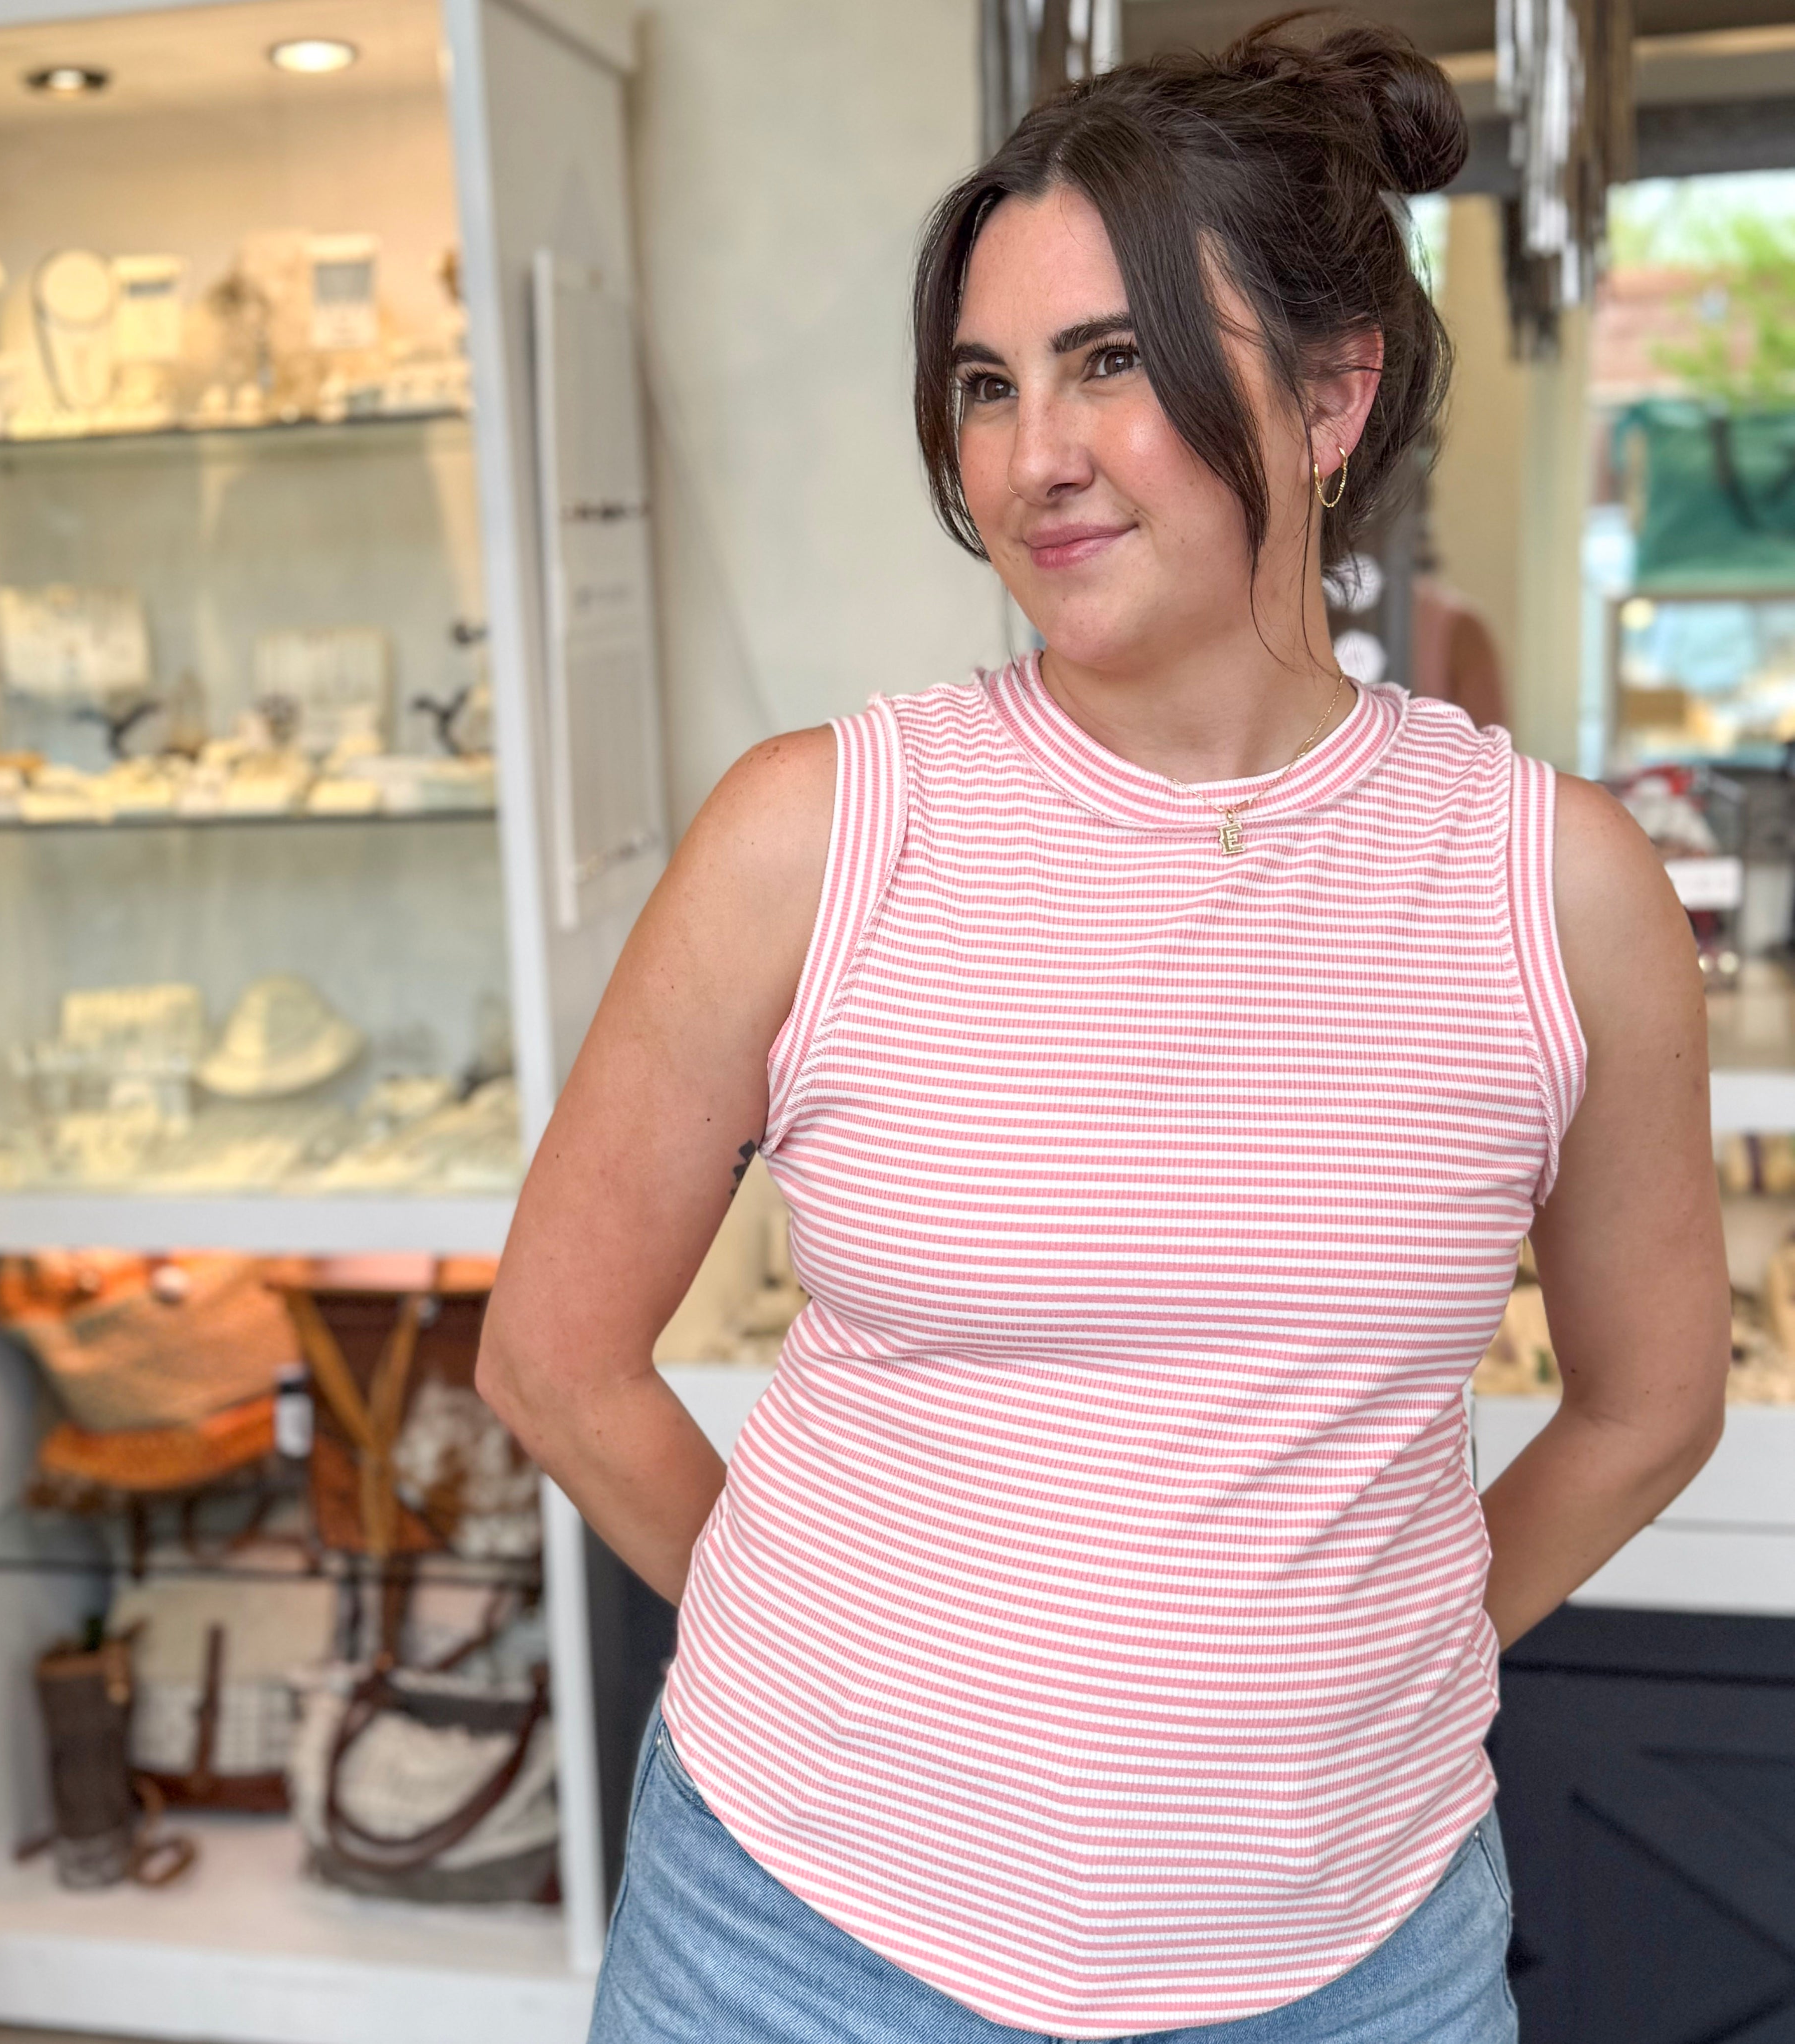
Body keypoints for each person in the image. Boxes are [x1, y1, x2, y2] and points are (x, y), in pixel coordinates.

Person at [479, 18, 1729, 2042]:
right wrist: (845, 1686)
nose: (1027, 455)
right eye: (986, 383)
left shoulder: (1554, 885)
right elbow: (550, 1356)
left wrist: (1377, 1674)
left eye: (1111, 360)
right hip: (791, 1943)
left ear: (1331, 396)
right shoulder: (814, 832)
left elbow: (1647, 1401)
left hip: (1353, 1957)